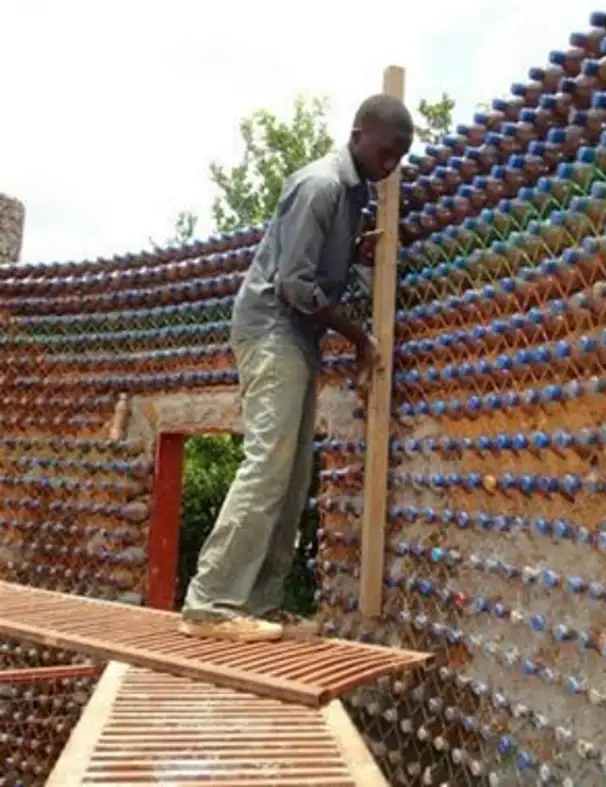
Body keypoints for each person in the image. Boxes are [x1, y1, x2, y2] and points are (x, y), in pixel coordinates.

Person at [179, 93, 414, 642]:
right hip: (272, 327)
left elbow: (315, 261)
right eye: (387, 151)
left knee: (292, 476)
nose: (392, 165)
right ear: (359, 135)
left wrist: (354, 252)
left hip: (297, 335)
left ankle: (258, 603)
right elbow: (292, 283)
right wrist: (358, 335)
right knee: (268, 462)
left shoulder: (353, 195)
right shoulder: (323, 185)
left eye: (400, 156)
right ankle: (211, 603)